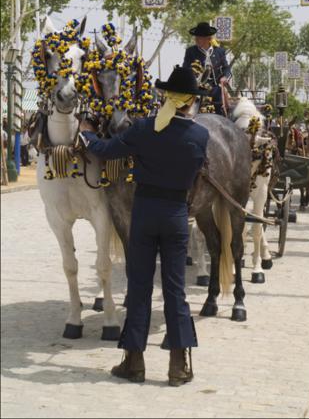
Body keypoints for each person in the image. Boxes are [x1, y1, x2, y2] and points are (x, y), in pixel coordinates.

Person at [79, 66, 210, 386]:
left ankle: (134, 362)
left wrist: (87, 135)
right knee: (175, 290)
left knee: (138, 287)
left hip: (145, 212)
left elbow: (107, 150)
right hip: (177, 214)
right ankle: (178, 366)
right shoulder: (200, 135)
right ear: (191, 102)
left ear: (166, 97)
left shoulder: (144, 128)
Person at [182, 22, 231, 115]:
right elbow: (185, 69)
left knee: (221, 105)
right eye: (196, 37)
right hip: (196, 89)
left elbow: (226, 68)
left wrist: (225, 77)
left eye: (199, 37)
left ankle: (223, 117)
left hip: (215, 88)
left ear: (208, 38)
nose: (196, 39)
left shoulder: (220, 52)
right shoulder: (190, 52)